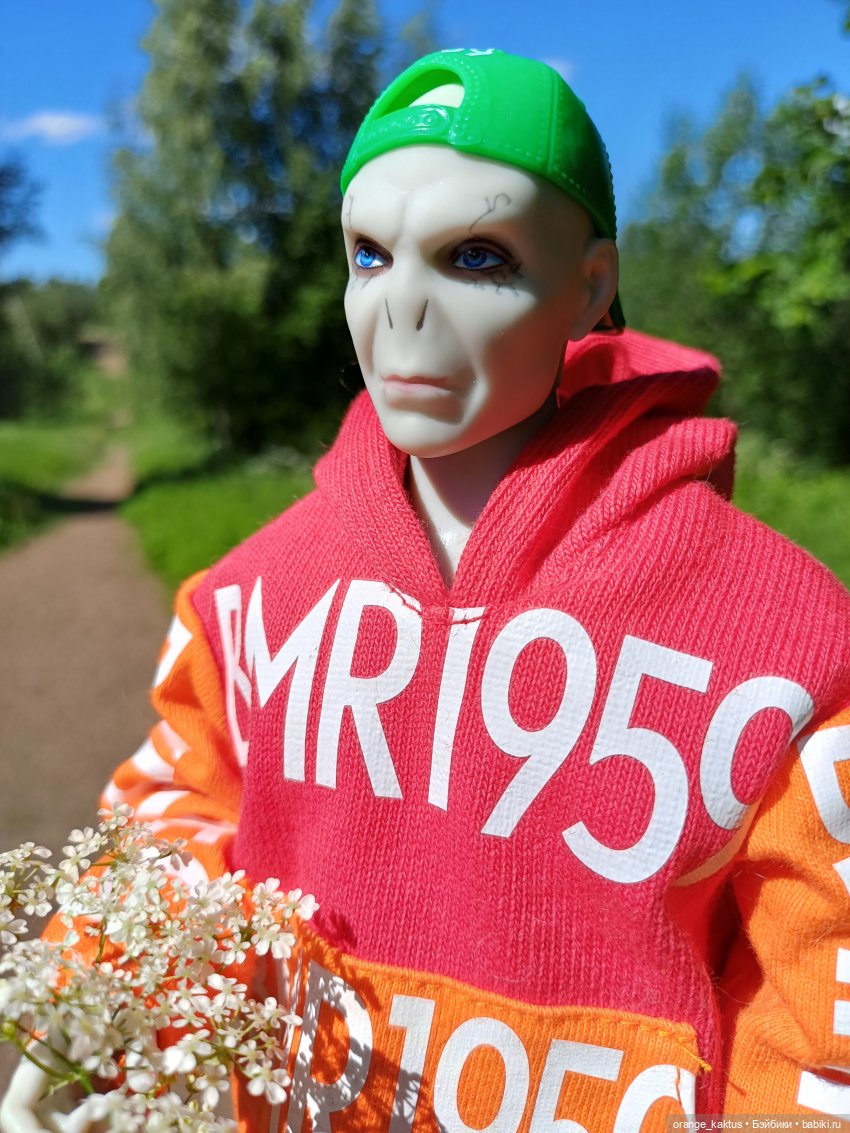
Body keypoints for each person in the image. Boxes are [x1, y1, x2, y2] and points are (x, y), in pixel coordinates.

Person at [4, 47, 850, 1132]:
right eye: (369, 253)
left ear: (590, 286)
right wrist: (103, 1000)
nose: (401, 307)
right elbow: (174, 808)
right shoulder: (249, 599)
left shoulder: (786, 640)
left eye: (475, 256)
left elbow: (819, 1001)